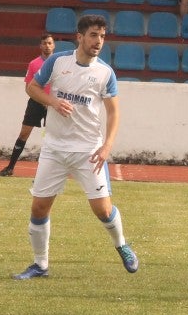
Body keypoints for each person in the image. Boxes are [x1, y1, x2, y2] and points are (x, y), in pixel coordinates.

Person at [12, 15, 137, 279]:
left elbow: (114, 113)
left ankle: (122, 245)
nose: (99, 41)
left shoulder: (105, 72)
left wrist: (107, 146)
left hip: (88, 151)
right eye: (93, 35)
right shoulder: (58, 62)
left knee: (103, 211)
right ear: (79, 37)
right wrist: (52, 102)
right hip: (54, 148)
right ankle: (40, 265)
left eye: (102, 36)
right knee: (39, 208)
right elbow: (32, 88)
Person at [0, 33, 56, 177]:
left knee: (55, 137)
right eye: (44, 43)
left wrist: (51, 102)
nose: (47, 46)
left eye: (49, 43)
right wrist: (43, 101)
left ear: (53, 45)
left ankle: (54, 172)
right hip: (36, 103)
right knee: (24, 133)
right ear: (40, 46)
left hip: (54, 105)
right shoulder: (34, 64)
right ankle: (10, 167)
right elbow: (28, 88)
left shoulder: (60, 63)